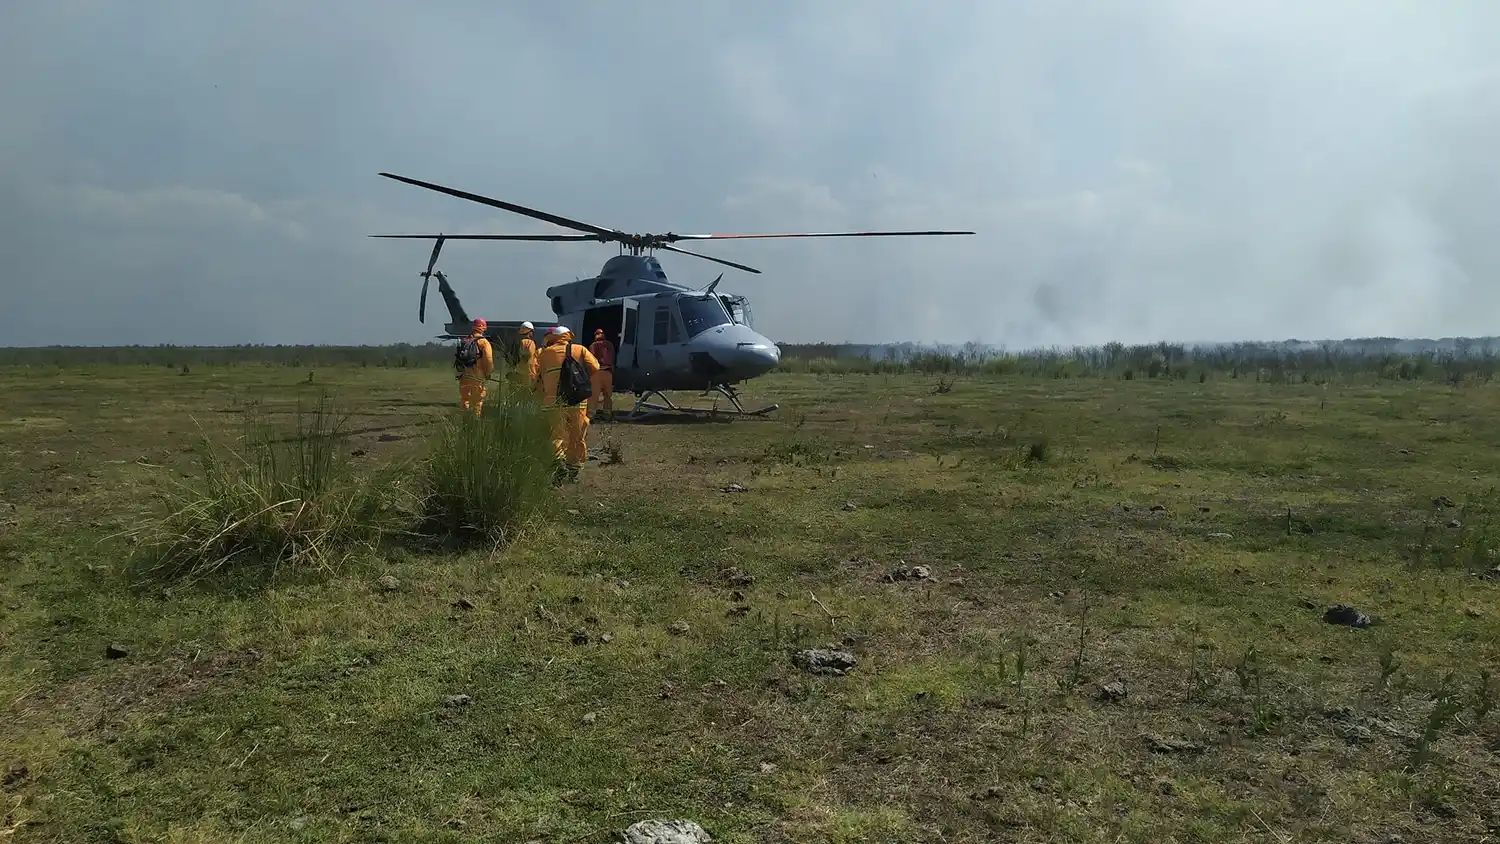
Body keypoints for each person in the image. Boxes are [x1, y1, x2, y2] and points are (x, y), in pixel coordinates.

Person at [533, 325, 600, 480]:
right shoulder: (579, 349)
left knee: (557, 433)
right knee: (577, 434)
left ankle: (558, 460)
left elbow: (539, 377)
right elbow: (595, 367)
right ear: (568, 336)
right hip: (577, 400)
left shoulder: (544, 354)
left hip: (553, 401)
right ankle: (574, 467)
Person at [456, 318, 494, 416]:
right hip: (477, 375)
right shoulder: (484, 342)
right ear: (484, 328)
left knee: (465, 398)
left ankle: (465, 419)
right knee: (477, 400)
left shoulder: (465, 340)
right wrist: (488, 373)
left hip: (464, 374)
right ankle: (475, 422)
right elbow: (488, 360)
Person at [588, 327, 616, 421]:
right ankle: (607, 414)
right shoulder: (609, 345)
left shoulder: (593, 345)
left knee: (594, 396)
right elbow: (612, 358)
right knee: (608, 395)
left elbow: (591, 359)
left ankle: (590, 415)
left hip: (597, 373)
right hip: (608, 372)